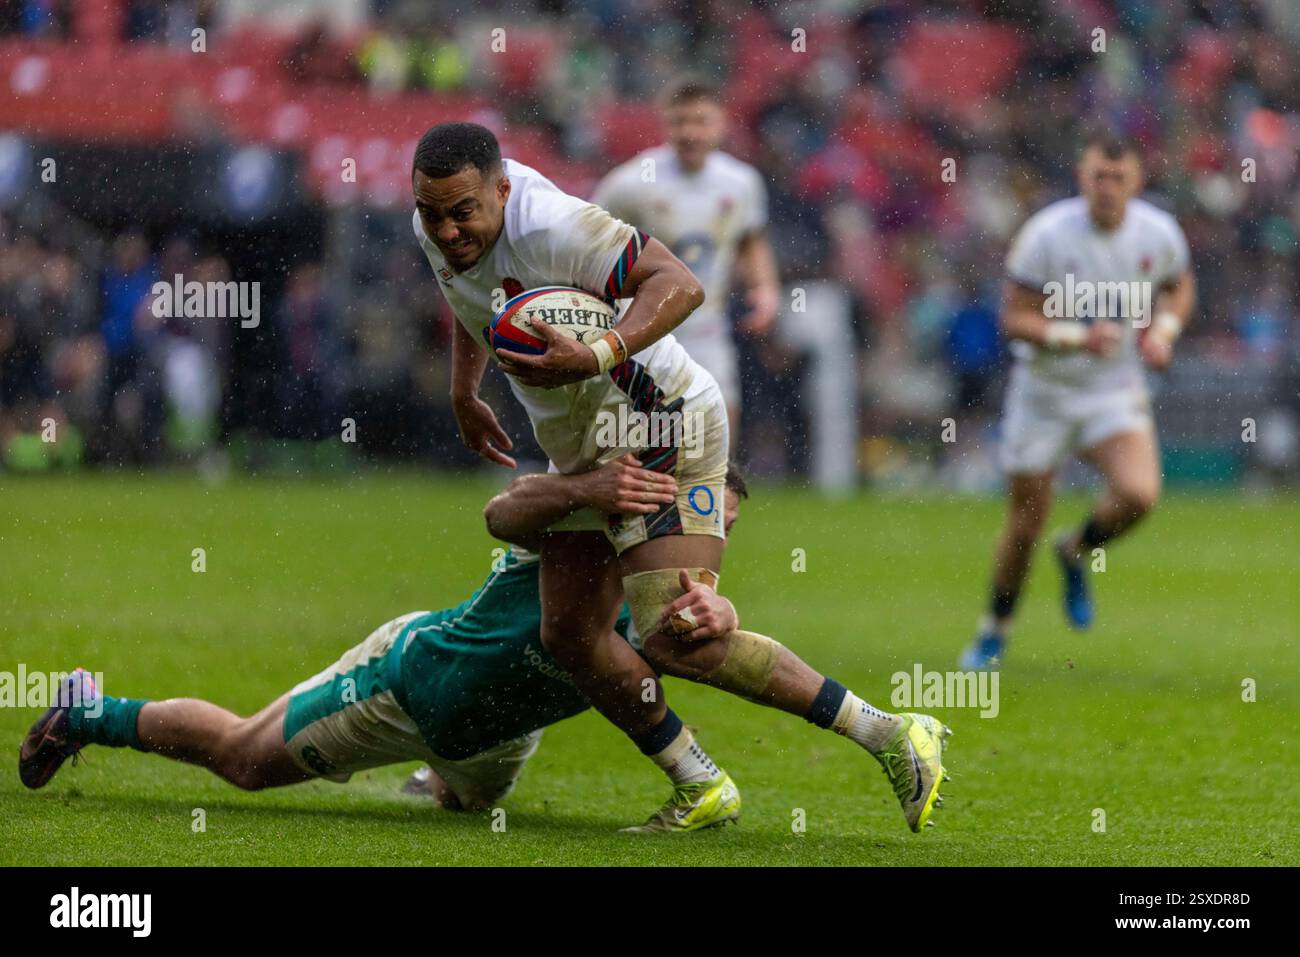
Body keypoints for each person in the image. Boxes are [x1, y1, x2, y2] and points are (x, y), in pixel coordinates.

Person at [413, 122, 950, 832]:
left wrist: (600, 349)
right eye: (433, 213)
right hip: (583, 448)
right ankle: (700, 783)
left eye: (462, 212)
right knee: (570, 634)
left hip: (665, 422)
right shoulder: (437, 220)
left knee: (671, 633)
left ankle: (889, 732)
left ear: (502, 190)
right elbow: (470, 301)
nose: (447, 230)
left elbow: (680, 282)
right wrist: (463, 391)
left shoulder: (557, 225)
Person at [22, 462, 949, 834]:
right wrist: (584, 483)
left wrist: (721, 602)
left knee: (468, 807)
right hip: (411, 687)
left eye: (724, 536)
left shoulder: (682, 603)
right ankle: (86, 708)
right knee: (243, 761)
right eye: (702, 524)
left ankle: (888, 732)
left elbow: (738, 646)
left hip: (501, 736)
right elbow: (506, 506)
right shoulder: (587, 523)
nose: (704, 555)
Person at [960, 131, 1195, 670]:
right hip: (1044, 393)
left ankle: (1076, 550)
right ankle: (994, 628)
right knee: (1025, 523)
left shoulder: (1157, 234)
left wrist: (1164, 330)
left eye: (1118, 177)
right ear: (1081, 177)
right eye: (1098, 176)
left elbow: (1179, 285)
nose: (1107, 187)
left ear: (1137, 181)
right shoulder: (1046, 235)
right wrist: (1074, 336)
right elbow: (1014, 319)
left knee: (1139, 493)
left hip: (1111, 390)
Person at [592, 77, 781, 450]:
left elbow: (750, 239)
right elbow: (590, 238)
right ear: (666, 124)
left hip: (707, 327)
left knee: (720, 429)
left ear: (721, 124)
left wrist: (766, 290)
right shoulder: (632, 182)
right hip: (644, 329)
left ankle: (710, 506)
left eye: (701, 121)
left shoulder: (741, 182)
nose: (690, 132)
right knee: (636, 438)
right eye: (680, 122)